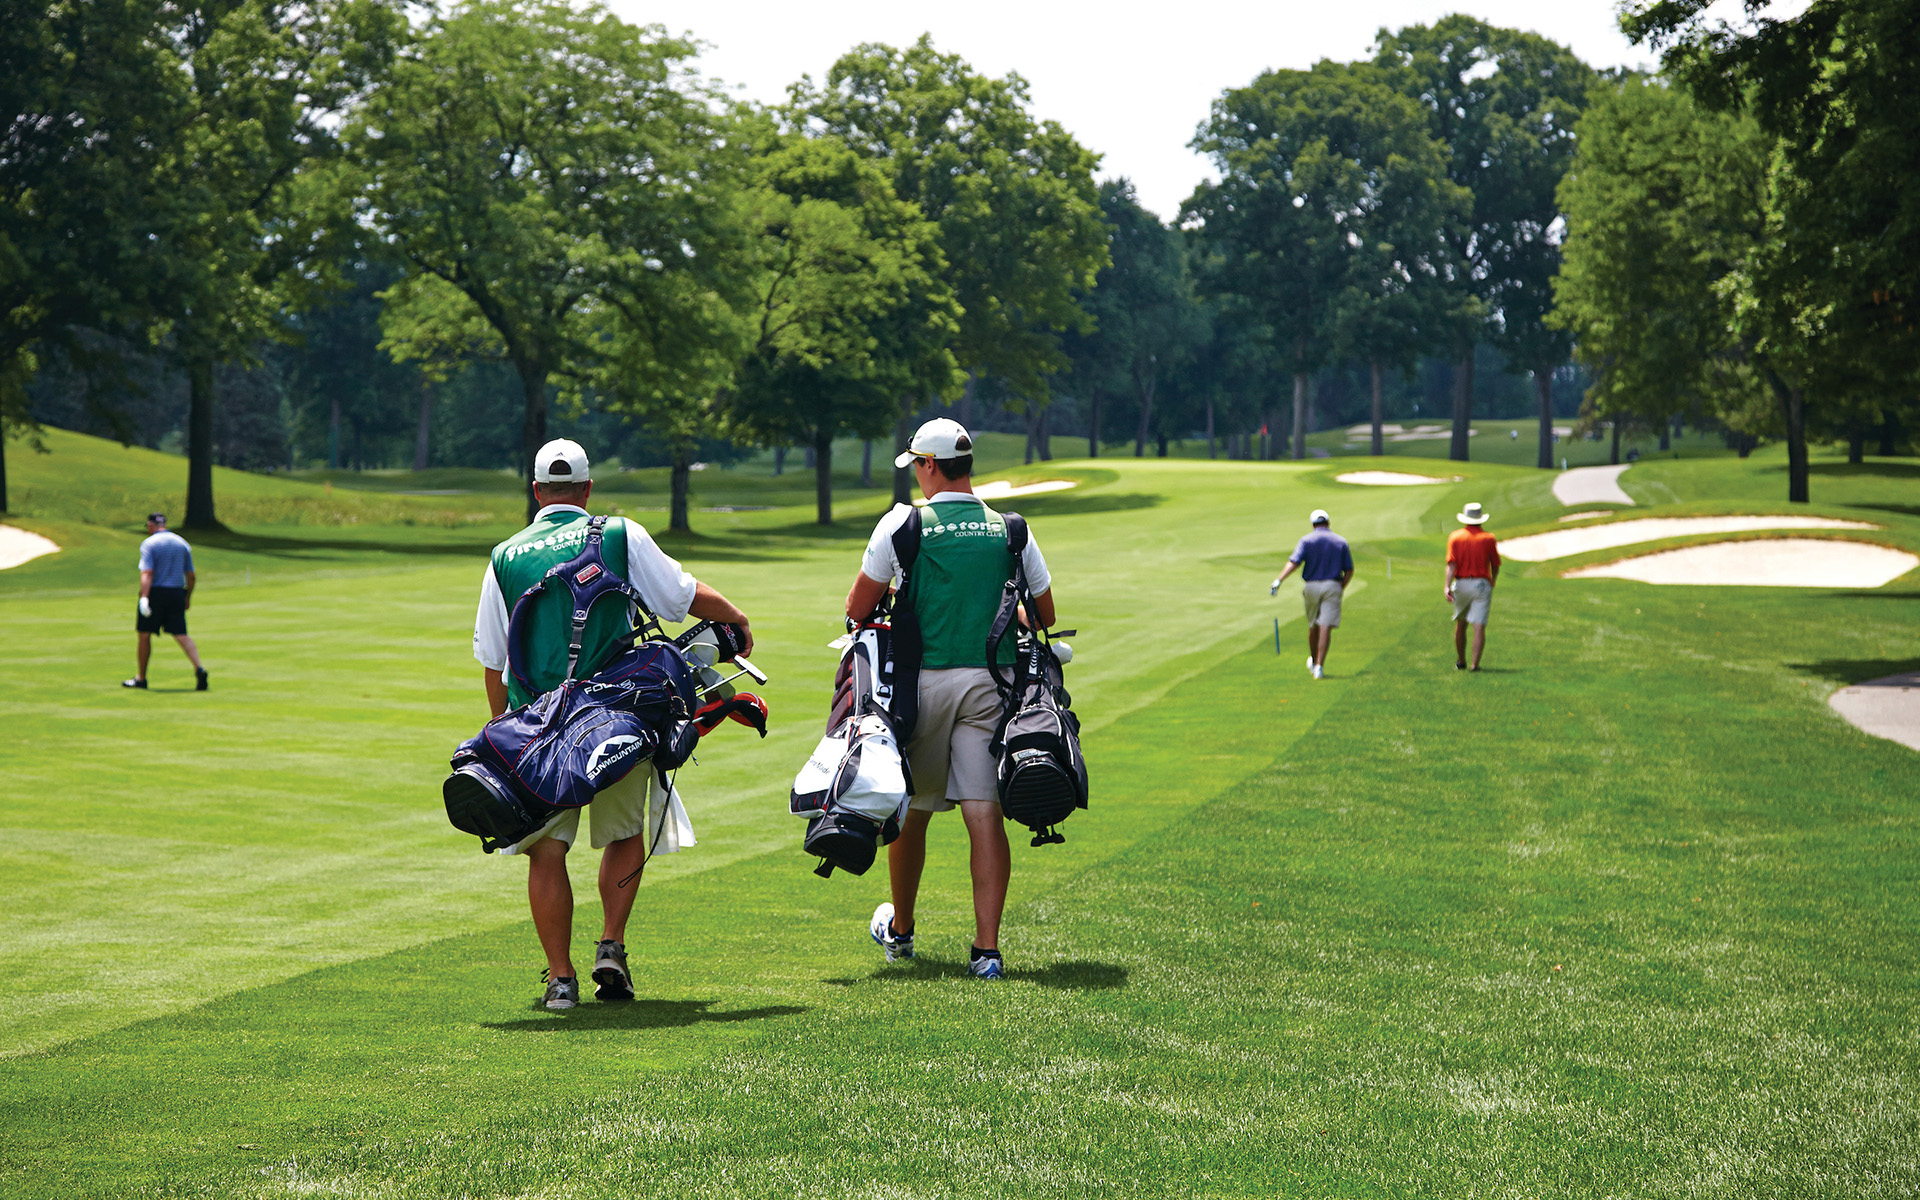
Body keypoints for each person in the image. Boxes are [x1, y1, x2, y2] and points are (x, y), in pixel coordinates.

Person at [472, 438, 754, 1011]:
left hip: (538, 731)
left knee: (546, 852)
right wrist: (737, 618)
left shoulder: (504, 556)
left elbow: (493, 663)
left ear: (536, 492)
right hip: (618, 718)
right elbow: (681, 596)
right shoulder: (619, 533)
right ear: (587, 489)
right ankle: (611, 947)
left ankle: (560, 980)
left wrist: (504, 732)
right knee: (624, 834)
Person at [845, 418, 1056, 980]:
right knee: (983, 813)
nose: (917, 474)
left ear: (930, 466)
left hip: (921, 686)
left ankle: (902, 931)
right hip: (993, 685)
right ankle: (986, 952)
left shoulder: (904, 523)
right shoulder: (1011, 529)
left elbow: (857, 608)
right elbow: (1044, 613)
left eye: (918, 465)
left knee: (913, 809)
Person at [124, 513, 207, 691]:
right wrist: (187, 597)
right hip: (176, 593)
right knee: (181, 634)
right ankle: (199, 668)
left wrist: (144, 597)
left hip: (155, 593)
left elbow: (147, 573)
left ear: (150, 525)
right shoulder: (181, 543)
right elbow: (191, 576)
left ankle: (141, 678)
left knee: (144, 634)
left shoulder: (149, 544)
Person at [1269, 508, 1354, 680]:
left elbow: (1294, 562)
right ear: (1328, 522)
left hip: (1311, 586)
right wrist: (1340, 588)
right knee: (1325, 626)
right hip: (1333, 585)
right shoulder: (1340, 541)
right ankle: (1319, 667)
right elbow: (1349, 570)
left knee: (1313, 625)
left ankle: (1314, 662)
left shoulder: (1306, 540)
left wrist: (1279, 580)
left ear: (1313, 524)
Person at [1444, 501, 1501, 672]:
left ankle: (1461, 661)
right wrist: (1492, 581)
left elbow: (1451, 564)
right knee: (1479, 625)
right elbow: (1495, 565)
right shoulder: (1488, 538)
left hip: (1462, 584)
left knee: (1461, 624)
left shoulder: (1455, 537)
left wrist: (1447, 585)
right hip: (1482, 584)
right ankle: (1475, 664)